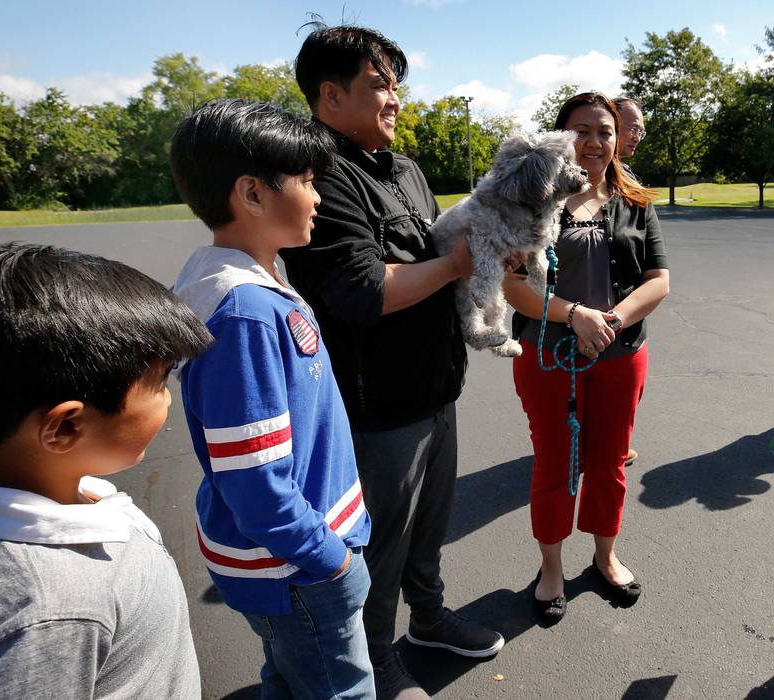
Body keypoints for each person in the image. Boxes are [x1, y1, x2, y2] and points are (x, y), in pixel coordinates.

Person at [280, 23, 503, 699]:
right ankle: (376, 657)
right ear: (330, 94)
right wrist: (458, 262)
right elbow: (361, 290)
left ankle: (429, 619)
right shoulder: (318, 172)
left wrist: (485, 254)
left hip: (435, 389)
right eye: (379, 85)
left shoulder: (402, 168)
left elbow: (433, 255)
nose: (395, 99)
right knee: (380, 544)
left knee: (430, 527)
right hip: (376, 407)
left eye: (397, 85)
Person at [0, 243, 210, 698]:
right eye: (158, 383)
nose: (168, 397)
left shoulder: (49, 506)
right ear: (65, 427)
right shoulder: (47, 613)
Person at [170, 99, 377, 699]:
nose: (318, 197)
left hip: (291, 562)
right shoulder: (247, 314)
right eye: (308, 182)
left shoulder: (250, 283)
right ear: (252, 195)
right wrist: (329, 558)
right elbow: (256, 479)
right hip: (297, 568)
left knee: (290, 679)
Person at [504, 92, 670, 623]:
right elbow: (513, 288)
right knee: (553, 462)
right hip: (547, 356)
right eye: (582, 130)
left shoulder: (638, 201)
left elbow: (659, 280)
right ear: (561, 137)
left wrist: (610, 321)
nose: (595, 142)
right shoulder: (532, 201)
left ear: (617, 138)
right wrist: (575, 315)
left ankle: (605, 556)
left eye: (604, 131)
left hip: (621, 356)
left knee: (610, 463)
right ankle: (550, 567)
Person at [613, 94, 646, 465]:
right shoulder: (577, 180)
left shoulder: (631, 181)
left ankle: (611, 443)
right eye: (631, 127)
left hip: (627, 313)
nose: (637, 135)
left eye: (641, 129)